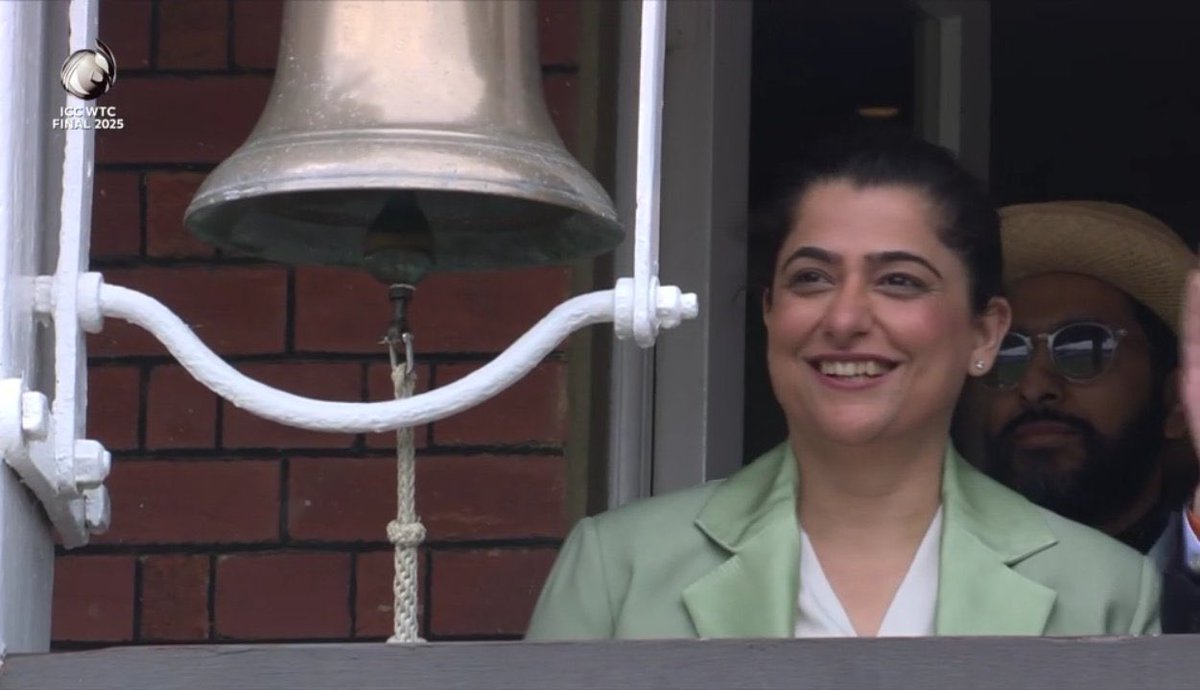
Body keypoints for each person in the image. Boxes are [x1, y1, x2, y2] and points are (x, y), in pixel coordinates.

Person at [525, 128, 1159, 640]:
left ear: (984, 335)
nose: (847, 318)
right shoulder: (619, 569)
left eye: (900, 281)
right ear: (771, 312)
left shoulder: (1106, 592)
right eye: (812, 278)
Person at [954, 201, 1200, 632]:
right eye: (1007, 355)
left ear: (1177, 403)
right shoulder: (924, 573)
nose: (1034, 386)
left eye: (1085, 348)